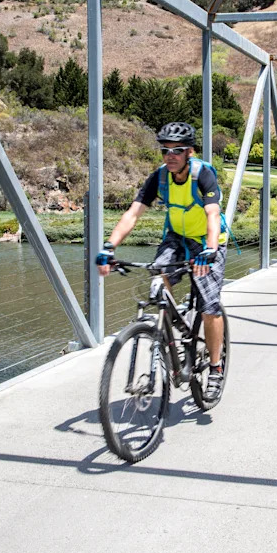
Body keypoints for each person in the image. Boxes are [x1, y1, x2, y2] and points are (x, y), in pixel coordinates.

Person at [96, 122, 227, 400]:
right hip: (177, 237)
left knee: (210, 305)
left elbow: (213, 214)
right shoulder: (159, 178)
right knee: (158, 278)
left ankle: (215, 368)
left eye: (177, 150)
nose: (170, 155)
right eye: (165, 150)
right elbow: (133, 214)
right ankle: (175, 326)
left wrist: (211, 249)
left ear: (189, 151)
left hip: (205, 241)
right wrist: (109, 246)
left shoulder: (202, 174)